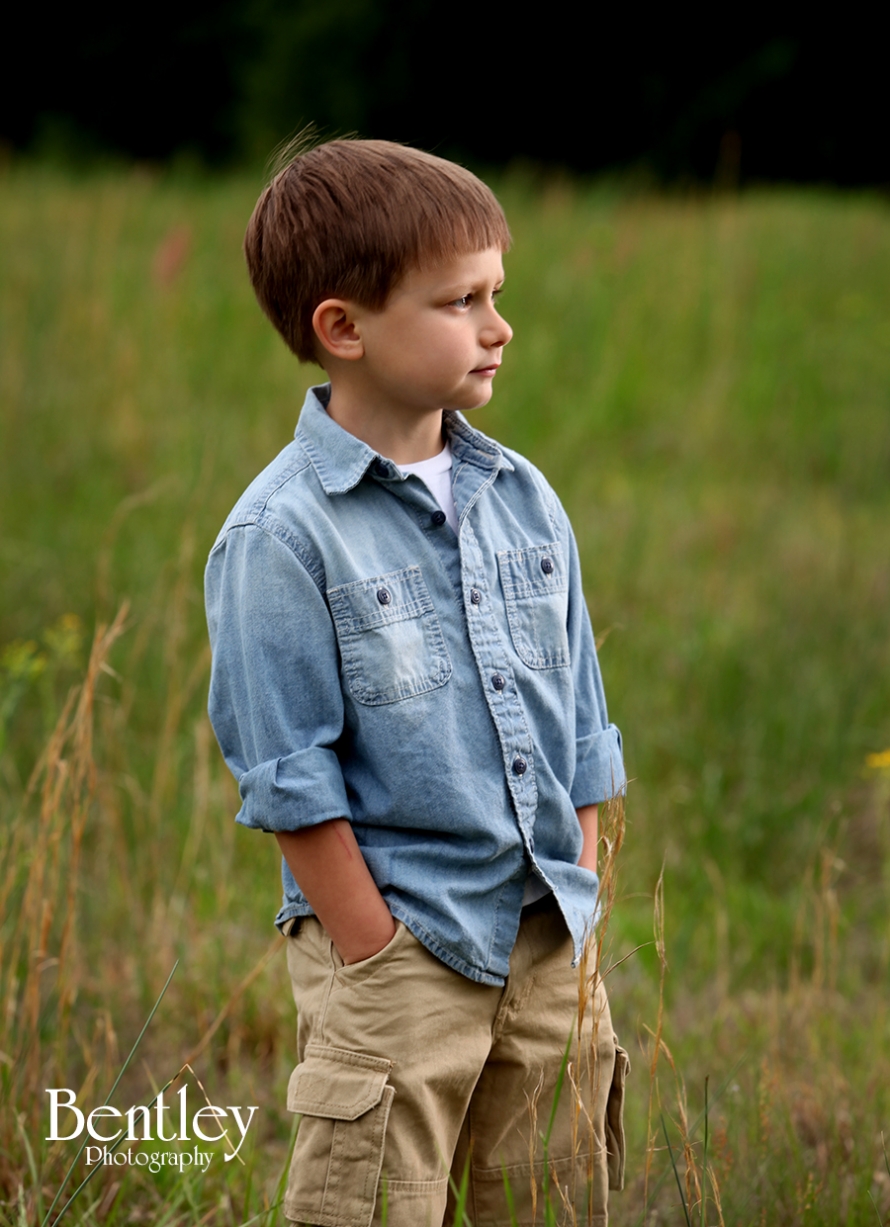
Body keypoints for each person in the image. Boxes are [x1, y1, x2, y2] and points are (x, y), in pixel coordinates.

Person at [205, 137, 628, 1227]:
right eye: (459, 301)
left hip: (545, 938)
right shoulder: (280, 537)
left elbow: (580, 714)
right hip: (401, 958)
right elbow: (289, 777)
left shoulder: (522, 497)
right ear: (342, 329)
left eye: (497, 293)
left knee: (548, 1198)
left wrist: (581, 873)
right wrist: (375, 951)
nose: (498, 327)